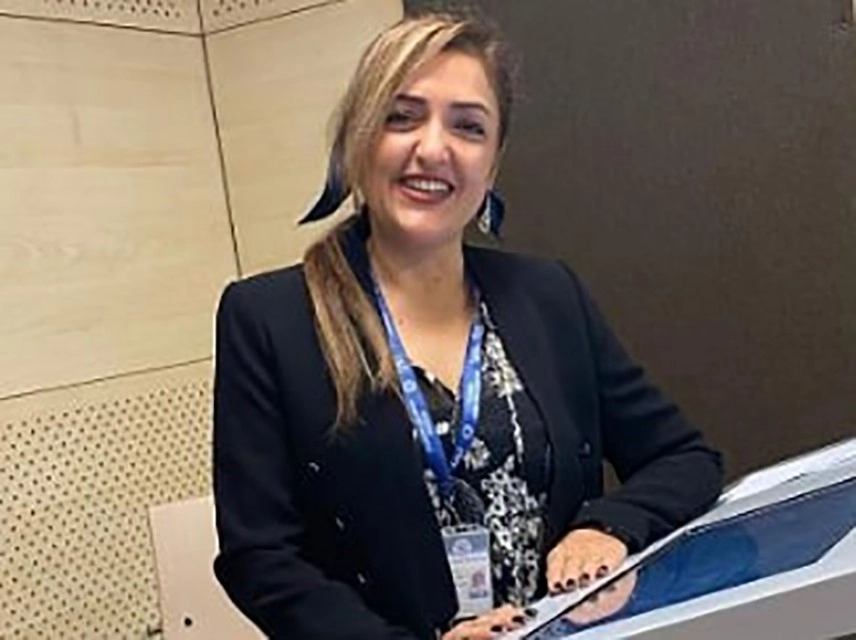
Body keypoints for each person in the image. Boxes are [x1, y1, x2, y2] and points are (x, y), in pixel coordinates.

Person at [212, 12, 723, 640]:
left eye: (468, 127)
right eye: (402, 117)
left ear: (493, 163)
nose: (433, 149)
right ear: (358, 140)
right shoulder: (269, 319)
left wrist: (609, 525)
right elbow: (260, 557)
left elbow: (686, 458)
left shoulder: (548, 296)